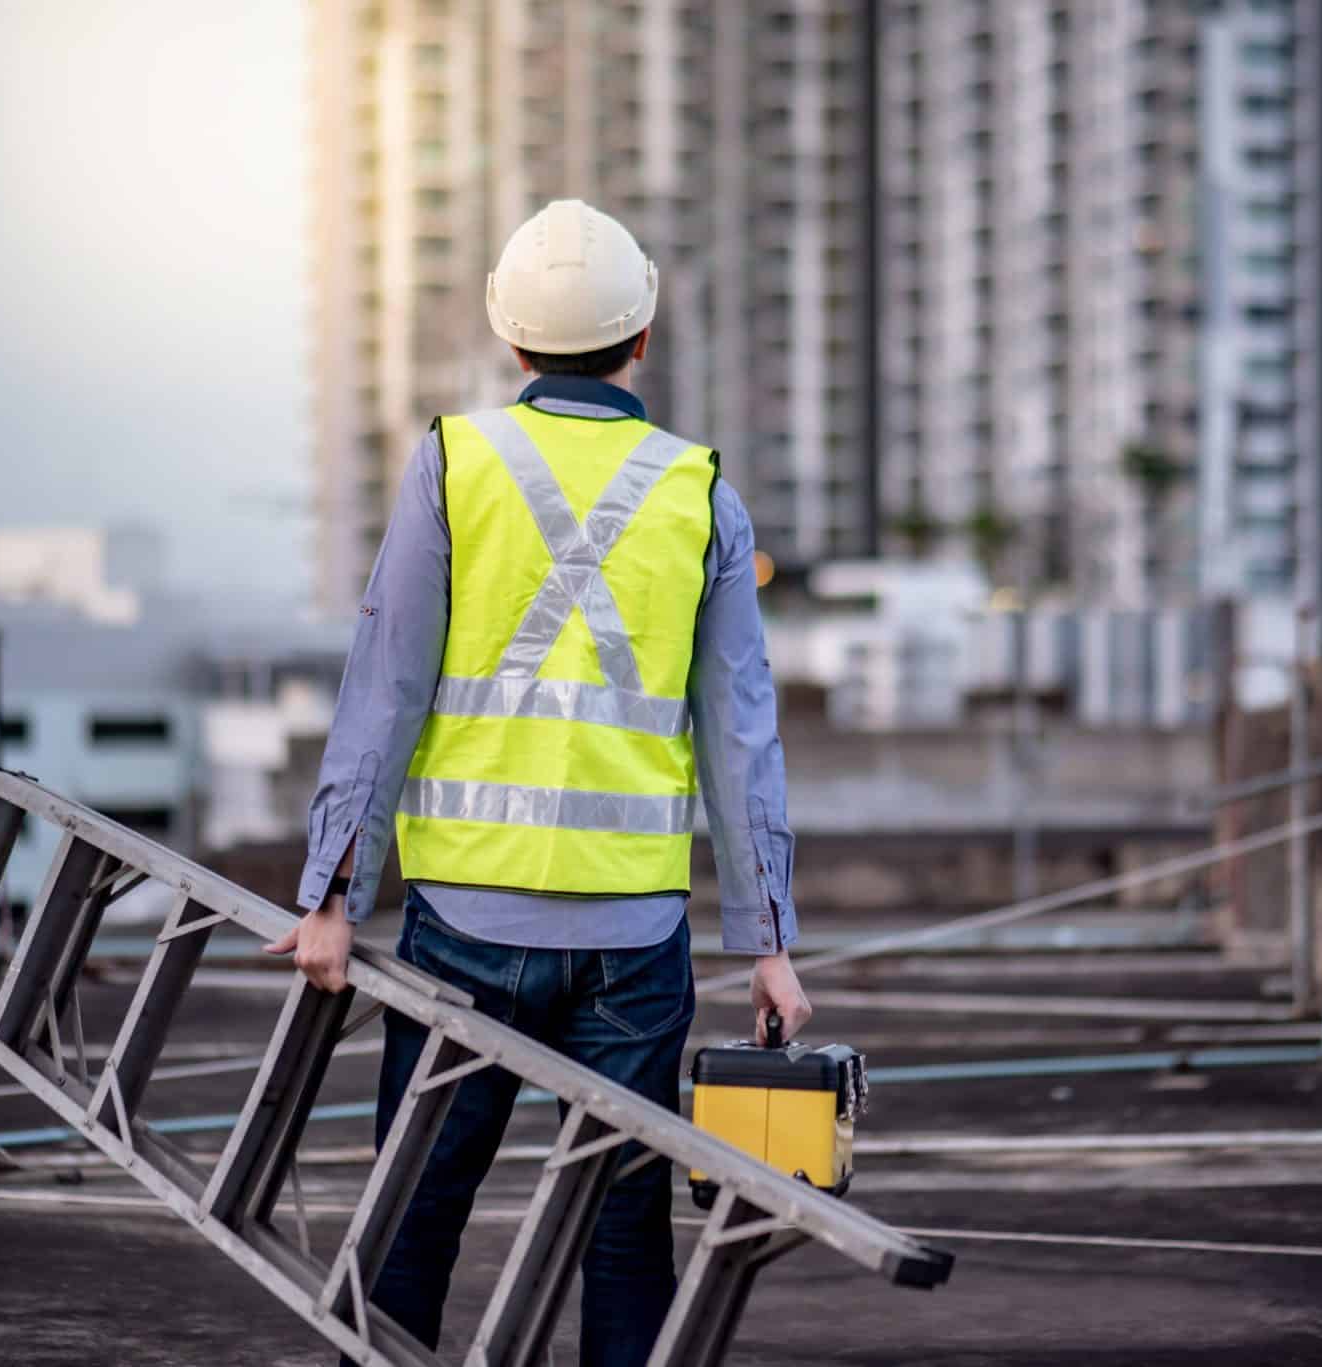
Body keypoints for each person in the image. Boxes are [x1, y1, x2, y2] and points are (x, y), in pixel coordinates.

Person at [267, 198, 811, 1367]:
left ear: (509, 342)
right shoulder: (699, 490)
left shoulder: (451, 462)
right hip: (634, 934)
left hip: (464, 922)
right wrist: (765, 941)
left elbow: (384, 686)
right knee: (622, 1237)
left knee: (413, 1222)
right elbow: (739, 737)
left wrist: (330, 894)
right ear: (643, 337)